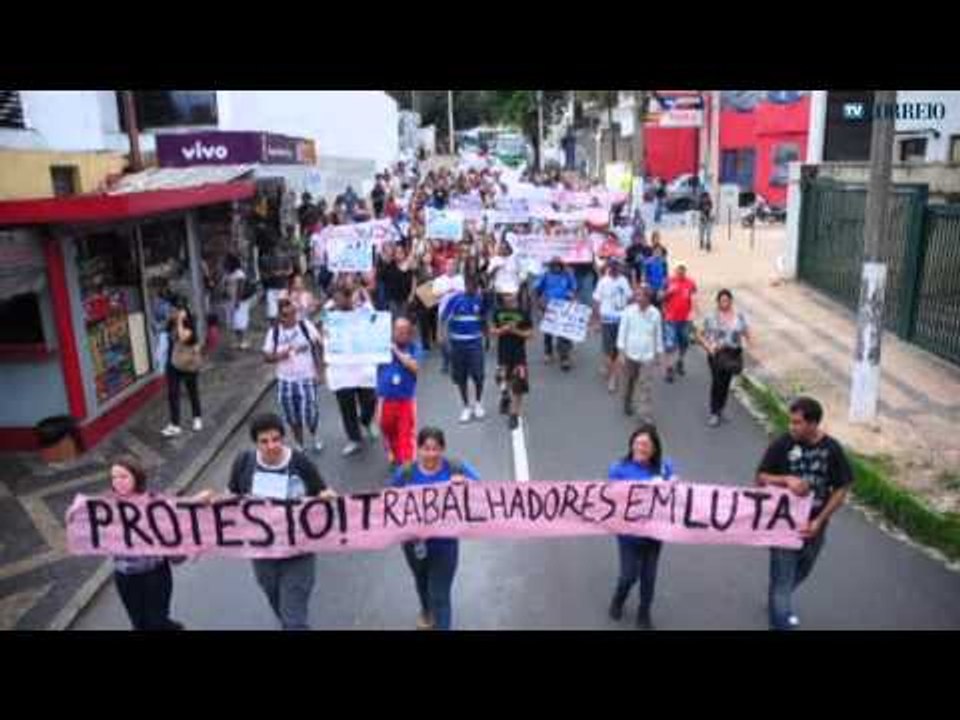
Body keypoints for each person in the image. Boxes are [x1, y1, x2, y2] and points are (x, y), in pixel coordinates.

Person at [227, 413, 336, 630]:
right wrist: (209, 502)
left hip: (298, 551)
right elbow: (231, 495)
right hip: (262, 553)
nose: (271, 446)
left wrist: (327, 497)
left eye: (276, 439)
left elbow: (321, 492)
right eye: (264, 441)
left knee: (294, 619)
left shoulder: (300, 462)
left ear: (283, 439)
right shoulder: (244, 463)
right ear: (255, 443)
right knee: (276, 600)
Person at [756, 397, 854, 631]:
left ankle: (777, 599)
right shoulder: (783, 444)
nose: (791, 427)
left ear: (813, 424)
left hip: (814, 527)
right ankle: (780, 617)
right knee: (782, 583)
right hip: (783, 525)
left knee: (802, 570)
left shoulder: (832, 449)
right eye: (791, 422)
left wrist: (820, 521)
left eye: (797, 423)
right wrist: (785, 479)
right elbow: (760, 478)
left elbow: (843, 487)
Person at [391, 427, 479, 630]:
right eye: (426, 448)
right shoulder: (405, 473)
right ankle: (426, 610)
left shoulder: (456, 468)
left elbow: (484, 493)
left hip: (445, 545)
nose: (431, 453)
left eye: (436, 448)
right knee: (421, 583)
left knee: (440, 594)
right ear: (418, 449)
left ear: (443, 449)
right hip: (414, 544)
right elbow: (386, 502)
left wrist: (465, 483)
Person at [607, 424, 674, 629]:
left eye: (645, 444)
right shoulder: (618, 469)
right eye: (637, 443)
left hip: (654, 536)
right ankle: (618, 599)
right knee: (629, 575)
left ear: (654, 449)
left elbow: (678, 495)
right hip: (629, 535)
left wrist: (672, 483)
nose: (640, 448)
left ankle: (644, 612)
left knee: (649, 577)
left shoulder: (665, 467)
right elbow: (610, 498)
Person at [109, 455, 186, 631]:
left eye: (123, 476)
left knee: (156, 622)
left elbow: (173, 536)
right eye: (114, 477)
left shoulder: (155, 504)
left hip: (154, 575)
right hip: (125, 577)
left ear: (137, 477)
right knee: (139, 623)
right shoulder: (108, 507)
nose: (118, 481)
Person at [323, 286, 380, 456]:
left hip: (363, 367)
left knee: (370, 400)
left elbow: (377, 324)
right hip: (341, 370)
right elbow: (326, 338)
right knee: (346, 406)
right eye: (334, 298)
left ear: (349, 298)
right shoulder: (330, 316)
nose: (337, 301)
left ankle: (366, 421)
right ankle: (354, 438)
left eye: (340, 298)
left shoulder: (363, 312)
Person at [263, 297, 324, 453]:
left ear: (295, 313)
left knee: (310, 412)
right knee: (292, 415)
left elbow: (317, 346)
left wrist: (319, 371)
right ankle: (299, 443)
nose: (288, 318)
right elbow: (266, 356)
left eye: (291, 314)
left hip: (306, 377)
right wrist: (280, 355)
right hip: (285, 380)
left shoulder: (305, 326)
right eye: (284, 315)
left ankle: (314, 434)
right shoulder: (274, 332)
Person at [696, 289, 751, 427]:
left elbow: (746, 332)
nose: (724, 303)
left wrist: (748, 344)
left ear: (731, 301)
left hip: (733, 353)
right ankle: (714, 412)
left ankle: (721, 408)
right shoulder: (711, 317)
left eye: (727, 300)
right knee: (717, 382)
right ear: (718, 302)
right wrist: (708, 347)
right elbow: (699, 334)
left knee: (726, 383)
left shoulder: (739, 316)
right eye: (722, 301)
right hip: (717, 354)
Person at [442, 273, 488, 424]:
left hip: (475, 343)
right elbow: (444, 319)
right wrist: (443, 338)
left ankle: (478, 404)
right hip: (458, 344)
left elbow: (483, 320)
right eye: (470, 285)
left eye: (475, 286)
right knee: (461, 377)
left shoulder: (480, 300)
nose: (472, 288)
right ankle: (466, 406)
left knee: (478, 375)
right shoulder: (455, 300)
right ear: (465, 286)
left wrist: (486, 338)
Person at [377, 317, 421, 468]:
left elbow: (415, 367)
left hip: (405, 400)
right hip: (386, 399)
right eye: (397, 330)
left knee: (406, 434)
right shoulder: (381, 347)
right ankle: (396, 456)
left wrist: (396, 351)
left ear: (409, 333)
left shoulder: (414, 347)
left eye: (404, 331)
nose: (401, 334)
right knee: (386, 428)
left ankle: (407, 467)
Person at [616, 286, 664, 420]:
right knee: (629, 382)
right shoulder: (628, 311)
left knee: (645, 386)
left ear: (649, 299)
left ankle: (644, 413)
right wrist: (621, 352)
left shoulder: (655, 313)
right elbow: (622, 332)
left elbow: (658, 334)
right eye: (637, 296)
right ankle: (627, 401)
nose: (639, 299)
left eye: (642, 296)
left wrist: (659, 354)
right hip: (630, 354)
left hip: (647, 356)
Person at [490, 292, 534, 430]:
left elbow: (530, 334)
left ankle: (514, 414)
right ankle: (505, 395)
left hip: (519, 353)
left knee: (519, 383)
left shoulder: (523, 313)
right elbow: (492, 330)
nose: (509, 297)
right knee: (502, 378)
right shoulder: (497, 312)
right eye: (506, 295)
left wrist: (515, 331)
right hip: (503, 352)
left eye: (511, 295)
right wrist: (502, 330)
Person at [162, 304, 203, 437]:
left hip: (188, 363)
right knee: (173, 393)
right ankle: (175, 424)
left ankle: (197, 418)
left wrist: (180, 320)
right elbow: (166, 333)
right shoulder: (172, 324)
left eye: (177, 311)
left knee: (192, 391)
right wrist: (172, 319)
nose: (174, 313)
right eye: (173, 310)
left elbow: (183, 337)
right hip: (173, 363)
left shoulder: (189, 326)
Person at [592, 259, 633, 394]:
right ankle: (608, 366)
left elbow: (629, 298)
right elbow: (597, 300)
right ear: (609, 267)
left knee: (618, 349)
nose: (615, 268)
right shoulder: (603, 281)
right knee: (608, 349)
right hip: (607, 320)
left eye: (617, 266)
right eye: (613, 266)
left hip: (621, 321)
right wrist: (596, 320)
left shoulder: (624, 281)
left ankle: (613, 378)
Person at [534, 257, 578, 371]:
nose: (556, 267)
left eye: (558, 265)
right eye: (554, 265)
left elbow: (574, 288)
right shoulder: (545, 275)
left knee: (563, 333)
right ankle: (548, 352)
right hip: (548, 307)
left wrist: (571, 294)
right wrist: (539, 303)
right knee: (548, 331)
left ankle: (564, 358)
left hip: (563, 308)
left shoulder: (567, 275)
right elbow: (536, 288)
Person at [661, 260, 698, 384]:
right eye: (678, 269)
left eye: (683, 269)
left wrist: (693, 314)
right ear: (675, 270)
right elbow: (659, 296)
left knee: (684, 343)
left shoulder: (690, 283)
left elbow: (694, 298)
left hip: (685, 320)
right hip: (670, 319)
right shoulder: (668, 281)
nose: (681, 271)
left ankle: (680, 361)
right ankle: (669, 369)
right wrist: (668, 292)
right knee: (670, 345)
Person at [432, 258, 466, 375]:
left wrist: (458, 291)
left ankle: (453, 362)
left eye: (453, 265)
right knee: (442, 340)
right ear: (445, 267)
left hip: (457, 313)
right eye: (449, 265)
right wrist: (447, 290)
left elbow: (465, 293)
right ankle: (446, 358)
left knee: (454, 339)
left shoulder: (460, 279)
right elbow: (434, 295)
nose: (451, 267)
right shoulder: (439, 280)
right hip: (443, 312)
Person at [223, 254, 252, 350]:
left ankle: (244, 340)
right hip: (230, 300)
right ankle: (237, 341)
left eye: (227, 262)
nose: (225, 263)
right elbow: (225, 285)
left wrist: (237, 301)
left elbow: (241, 289)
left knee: (241, 321)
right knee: (234, 323)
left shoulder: (239, 274)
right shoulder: (227, 273)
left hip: (239, 301)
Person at [260, 245, 294, 324]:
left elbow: (290, 271)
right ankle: (273, 325)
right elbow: (263, 274)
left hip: (282, 286)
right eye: (273, 248)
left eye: (276, 249)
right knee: (272, 311)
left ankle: (281, 323)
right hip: (271, 287)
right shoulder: (265, 259)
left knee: (282, 307)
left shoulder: (285, 259)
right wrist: (271, 275)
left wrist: (281, 273)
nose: (275, 250)